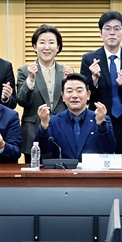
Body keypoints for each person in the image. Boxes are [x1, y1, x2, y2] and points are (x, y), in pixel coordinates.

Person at [80, 11, 122, 163]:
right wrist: (93, 79)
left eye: (117, 28)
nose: (112, 33)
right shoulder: (89, 59)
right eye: (107, 28)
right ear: (101, 32)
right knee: (99, 166)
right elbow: (84, 96)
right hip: (99, 120)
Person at [17, 24, 72, 163]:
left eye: (51, 42)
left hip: (61, 131)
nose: (47, 47)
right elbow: (22, 101)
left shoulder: (66, 71)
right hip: (33, 133)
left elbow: (74, 104)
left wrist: (70, 82)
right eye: (42, 42)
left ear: (58, 47)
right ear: (35, 47)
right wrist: (30, 79)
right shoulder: (25, 71)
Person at [36, 73, 116, 161]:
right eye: (69, 91)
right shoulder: (53, 121)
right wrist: (44, 124)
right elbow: (43, 150)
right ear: (63, 96)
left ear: (88, 95)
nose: (74, 95)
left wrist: (100, 123)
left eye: (79, 91)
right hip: (63, 169)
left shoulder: (102, 119)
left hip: (92, 169)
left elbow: (110, 147)